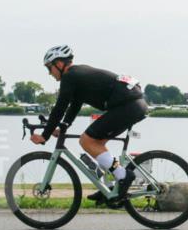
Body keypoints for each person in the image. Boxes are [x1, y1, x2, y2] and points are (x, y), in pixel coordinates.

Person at [33, 45, 149, 203]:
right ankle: (111, 186)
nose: (49, 73)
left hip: (128, 106)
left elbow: (60, 107)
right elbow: (75, 105)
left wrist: (45, 135)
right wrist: (63, 127)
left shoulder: (70, 76)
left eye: (49, 68)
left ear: (59, 64)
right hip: (133, 105)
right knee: (97, 145)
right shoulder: (78, 74)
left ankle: (124, 176)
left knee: (86, 141)